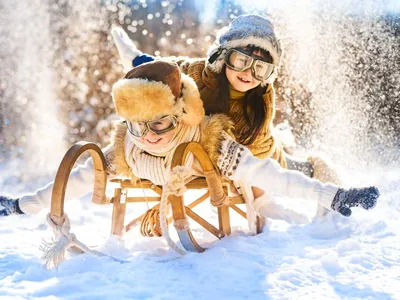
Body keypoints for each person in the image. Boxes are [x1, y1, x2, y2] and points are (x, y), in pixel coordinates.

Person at [0, 60, 379, 220]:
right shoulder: (128, 147)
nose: (147, 136)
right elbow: (75, 181)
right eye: (137, 125)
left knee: (278, 168)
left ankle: (318, 170)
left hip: (229, 165)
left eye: (159, 125)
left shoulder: (210, 142)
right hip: (162, 172)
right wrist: (21, 206)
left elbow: (272, 176)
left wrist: (335, 196)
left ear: (179, 113)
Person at [110, 14, 343, 217]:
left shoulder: (259, 103)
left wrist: (249, 187)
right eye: (241, 61)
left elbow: (255, 159)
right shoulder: (196, 74)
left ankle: (321, 172)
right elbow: (158, 70)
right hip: (199, 146)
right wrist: (132, 55)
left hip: (256, 153)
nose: (248, 73)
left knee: (290, 166)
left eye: (260, 68)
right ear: (223, 56)